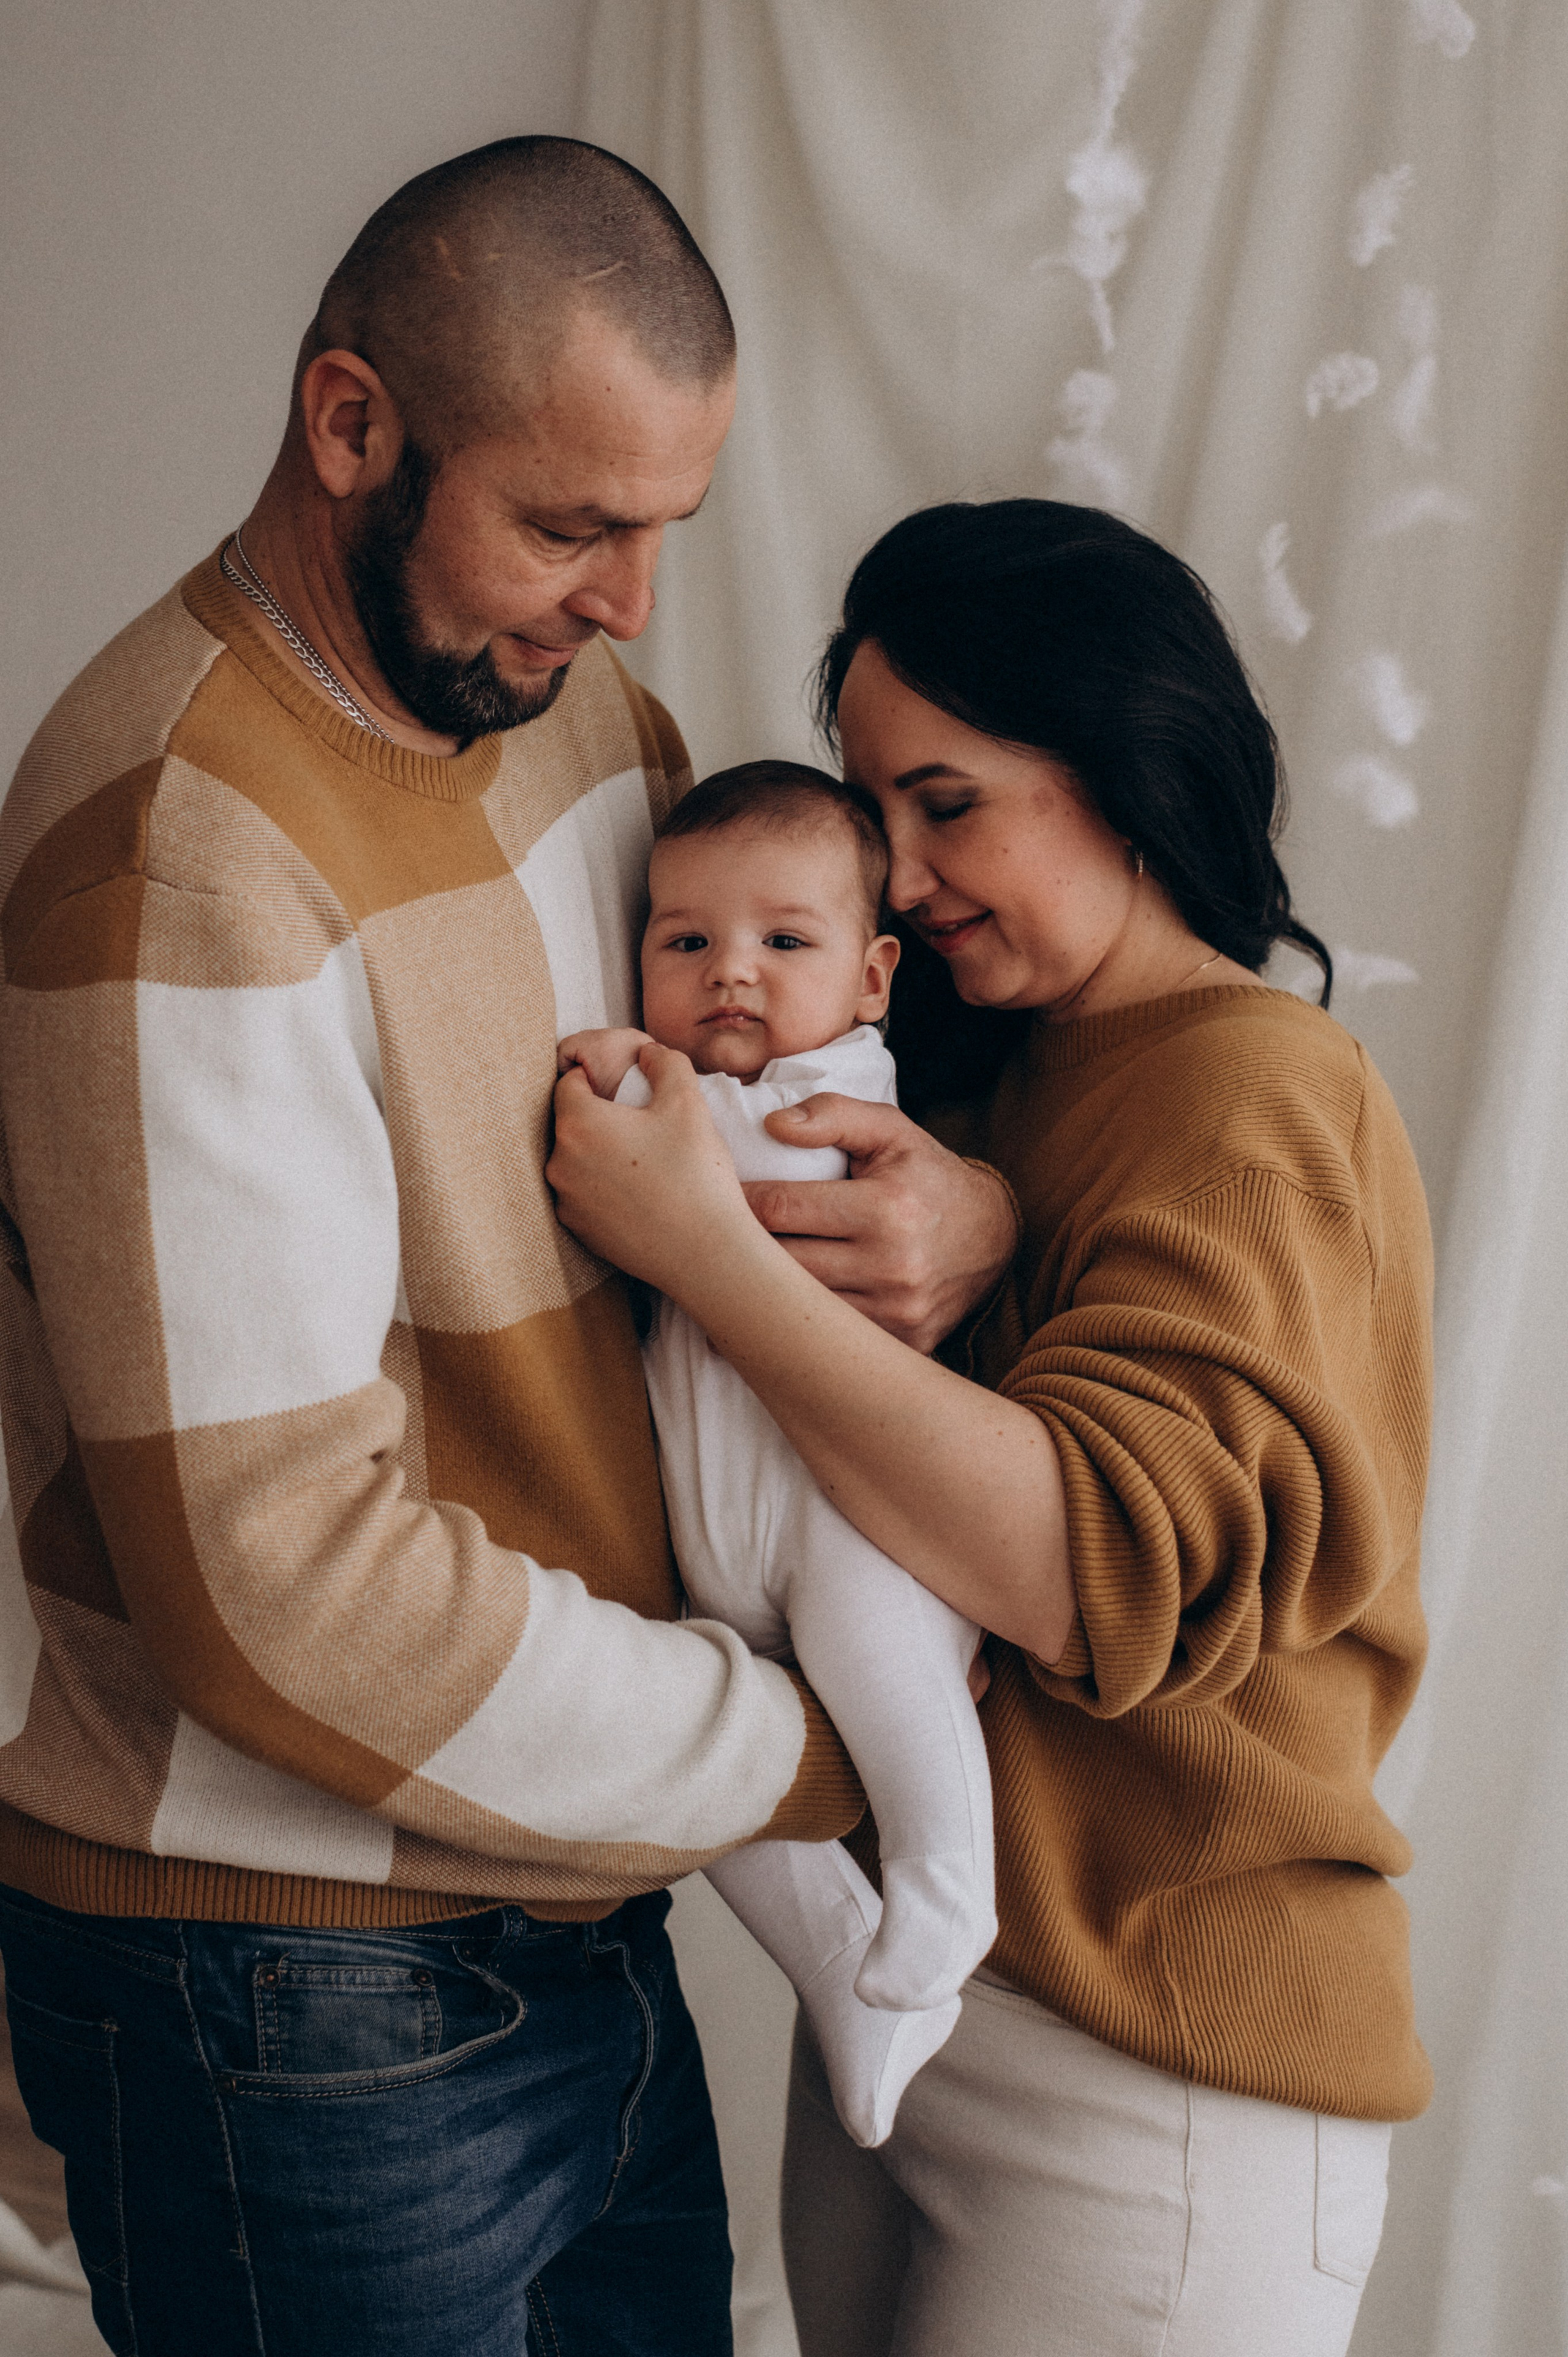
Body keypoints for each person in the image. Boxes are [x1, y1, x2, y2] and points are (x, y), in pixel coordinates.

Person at [0, 145, 1016, 2357]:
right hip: (295, 1972)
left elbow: (759, 1086)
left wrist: (966, 1196)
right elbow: (285, 1587)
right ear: (349, 424)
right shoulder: (182, 858)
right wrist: (815, 1741)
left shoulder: (568, 712)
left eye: (665, 524)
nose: (635, 606)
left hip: (563, 1886)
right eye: (570, 525)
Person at [546, 499, 1434, 2357]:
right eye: (885, 824)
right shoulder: (983, 1068)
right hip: (928, 1997)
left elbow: (1076, 1566)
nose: (910, 876)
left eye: (950, 805)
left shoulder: (1258, 1087)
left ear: (1117, 768)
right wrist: (986, 1212)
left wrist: (712, 1257)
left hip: (1158, 2050)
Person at [560, 760, 997, 2151]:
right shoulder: (694, 1086)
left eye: (781, 942)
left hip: (843, 1522)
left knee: (886, 1674)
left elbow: (693, 1145)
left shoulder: (826, 1096)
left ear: (872, 979)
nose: (729, 974)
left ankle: (947, 1875)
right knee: (705, 1790)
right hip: (712, 1556)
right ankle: (843, 1973)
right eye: (685, 941)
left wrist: (618, 1070)